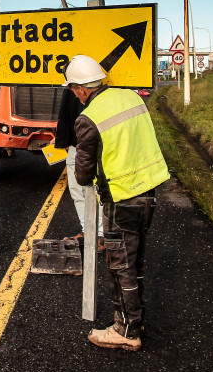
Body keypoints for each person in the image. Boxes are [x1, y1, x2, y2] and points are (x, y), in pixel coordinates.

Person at [63, 55, 170, 351]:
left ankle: (125, 329)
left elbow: (83, 175)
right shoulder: (133, 98)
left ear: (81, 89)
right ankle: (135, 320)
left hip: (121, 199)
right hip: (148, 192)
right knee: (135, 263)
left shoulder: (88, 118)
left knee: (120, 265)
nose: (74, 94)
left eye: (73, 89)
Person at [53, 89, 103, 247]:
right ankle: (93, 233)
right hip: (96, 139)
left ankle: (99, 235)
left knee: (88, 189)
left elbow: (67, 109)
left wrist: (63, 138)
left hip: (85, 142)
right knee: (87, 188)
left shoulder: (75, 76)